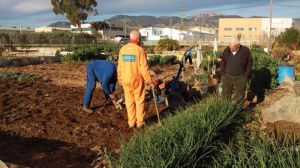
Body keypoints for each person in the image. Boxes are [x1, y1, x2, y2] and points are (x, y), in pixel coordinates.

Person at [117, 30, 152, 128]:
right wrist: (149, 81)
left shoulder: (122, 49)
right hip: (136, 80)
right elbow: (143, 68)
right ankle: (140, 123)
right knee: (139, 101)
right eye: (140, 37)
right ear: (138, 38)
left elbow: (119, 66)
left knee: (129, 102)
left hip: (125, 80)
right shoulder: (140, 50)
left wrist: (120, 78)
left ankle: (131, 123)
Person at [220, 38, 253, 104]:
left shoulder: (245, 50)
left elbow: (250, 62)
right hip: (227, 76)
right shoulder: (226, 50)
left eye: (233, 48)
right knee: (225, 95)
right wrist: (223, 73)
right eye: (230, 47)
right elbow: (223, 61)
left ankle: (238, 111)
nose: (231, 49)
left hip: (240, 76)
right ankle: (225, 110)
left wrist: (246, 75)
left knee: (240, 96)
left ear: (238, 45)